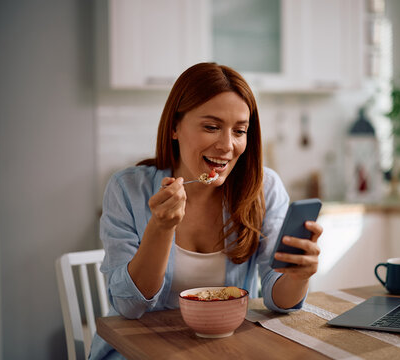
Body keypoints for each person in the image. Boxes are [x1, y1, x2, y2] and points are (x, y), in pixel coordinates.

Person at [89, 62, 322, 359]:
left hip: (224, 351)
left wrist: (299, 276)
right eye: (211, 127)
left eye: (240, 131)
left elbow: (279, 299)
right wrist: (160, 229)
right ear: (175, 127)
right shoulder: (127, 189)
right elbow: (129, 307)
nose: (227, 145)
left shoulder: (264, 188)